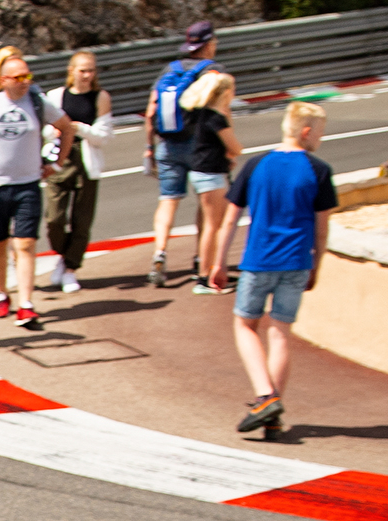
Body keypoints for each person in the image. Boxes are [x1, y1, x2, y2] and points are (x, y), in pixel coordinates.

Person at [226, 102, 336, 436]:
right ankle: (272, 416)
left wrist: (216, 261)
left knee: (245, 325)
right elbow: (322, 227)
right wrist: (317, 263)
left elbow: (230, 218)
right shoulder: (319, 169)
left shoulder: (256, 164)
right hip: (297, 261)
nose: (320, 138)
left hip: (259, 260)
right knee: (280, 333)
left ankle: (265, 396)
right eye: (319, 131)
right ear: (306, 132)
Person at [0, 54, 73, 333]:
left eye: (28, 77)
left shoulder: (37, 103)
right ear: (3, 80)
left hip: (28, 185)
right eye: (18, 78)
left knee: (25, 245)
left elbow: (66, 128)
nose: (25, 82)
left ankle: (26, 302)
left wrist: (57, 163)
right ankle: (1, 292)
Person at [143, 20, 223, 288]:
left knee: (168, 200)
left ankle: (159, 253)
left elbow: (151, 111)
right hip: (200, 146)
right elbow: (220, 113)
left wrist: (149, 147)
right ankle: (202, 258)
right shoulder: (212, 72)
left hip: (167, 144)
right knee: (206, 203)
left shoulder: (169, 70)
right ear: (209, 43)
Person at [43, 50, 113, 294]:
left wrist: (78, 129)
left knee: (81, 220)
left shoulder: (100, 97)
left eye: (91, 70)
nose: (87, 75)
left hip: (86, 159)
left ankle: (71, 267)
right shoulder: (56, 96)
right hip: (60, 157)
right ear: (71, 70)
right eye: (82, 70)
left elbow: (104, 135)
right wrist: (58, 132)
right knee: (54, 219)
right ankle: (64, 255)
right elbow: (45, 129)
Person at [181, 72, 244, 293]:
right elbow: (236, 148)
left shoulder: (199, 114)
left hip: (201, 172)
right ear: (226, 93)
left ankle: (211, 272)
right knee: (213, 226)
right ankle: (205, 277)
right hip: (211, 175)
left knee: (211, 225)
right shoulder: (216, 119)